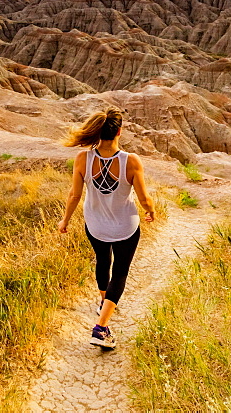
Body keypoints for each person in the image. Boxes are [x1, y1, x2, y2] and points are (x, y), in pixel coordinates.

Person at [58, 106, 155, 350]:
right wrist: (150, 210)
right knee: (120, 272)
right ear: (119, 132)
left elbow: (74, 195)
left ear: (97, 132)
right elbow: (143, 197)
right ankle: (101, 328)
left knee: (103, 261)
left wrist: (65, 220)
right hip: (126, 226)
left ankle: (104, 301)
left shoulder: (83, 158)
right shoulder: (130, 161)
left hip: (95, 225)